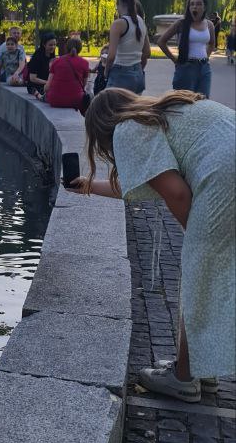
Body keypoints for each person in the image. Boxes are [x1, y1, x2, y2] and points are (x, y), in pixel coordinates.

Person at [67, 88, 235, 401]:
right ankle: (200, 368)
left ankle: (183, 379)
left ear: (102, 130)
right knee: (212, 276)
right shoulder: (168, 110)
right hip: (228, 168)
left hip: (225, 177)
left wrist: (195, 238)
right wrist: (89, 186)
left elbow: (177, 193)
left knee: (200, 274)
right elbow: (152, 182)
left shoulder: (128, 128)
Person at [157, 0, 215, 98]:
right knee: (184, 103)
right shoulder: (181, 23)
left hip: (204, 68)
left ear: (204, 7)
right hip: (186, 67)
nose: (195, 7)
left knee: (204, 103)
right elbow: (161, 41)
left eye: (198, 4)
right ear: (188, 7)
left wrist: (205, 57)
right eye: (192, 4)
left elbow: (211, 44)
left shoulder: (210, 25)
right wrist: (175, 60)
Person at [104, 0, 150, 93]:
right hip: (138, 74)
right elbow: (147, 52)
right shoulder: (141, 22)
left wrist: (106, 72)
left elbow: (111, 56)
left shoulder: (118, 24)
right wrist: (138, 69)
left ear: (118, 1)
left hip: (120, 75)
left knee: (110, 108)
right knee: (132, 109)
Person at [44, 34, 90, 112]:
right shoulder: (85, 63)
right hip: (76, 101)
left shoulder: (56, 61)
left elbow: (48, 86)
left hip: (55, 100)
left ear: (67, 47)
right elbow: (83, 85)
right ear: (80, 48)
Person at [26, 31, 56, 97]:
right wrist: (48, 83)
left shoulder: (52, 56)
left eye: (54, 45)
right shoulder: (37, 57)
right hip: (35, 86)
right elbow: (32, 78)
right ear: (44, 44)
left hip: (47, 84)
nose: (53, 47)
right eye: (50, 45)